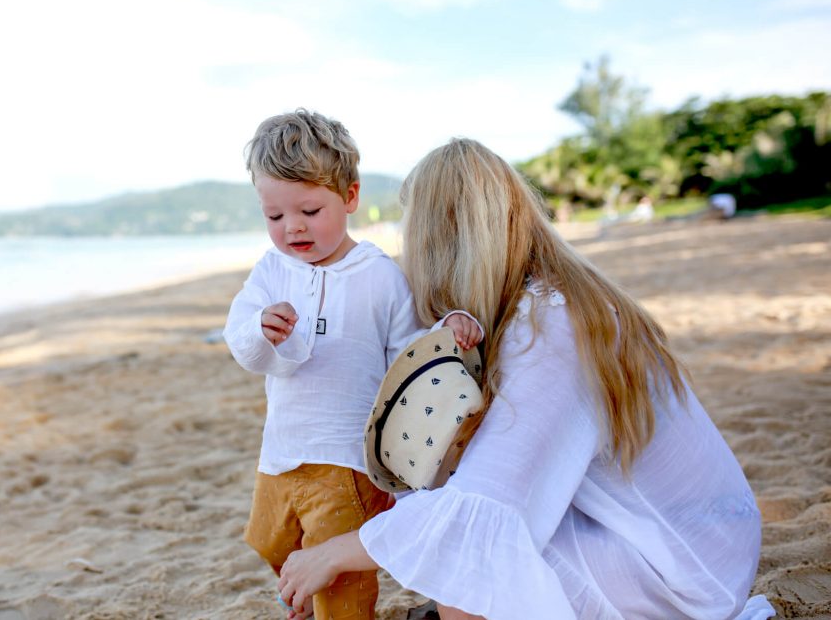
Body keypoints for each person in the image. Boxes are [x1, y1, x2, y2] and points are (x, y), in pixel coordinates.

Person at [276, 138, 774, 620]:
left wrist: (332, 554)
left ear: (438, 242)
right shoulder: (549, 300)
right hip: (701, 541)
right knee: (450, 536)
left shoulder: (554, 324)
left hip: (686, 577)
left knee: (466, 573)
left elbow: (485, 505)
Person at [223, 110, 478, 620]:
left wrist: (446, 329)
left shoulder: (379, 276)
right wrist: (259, 329)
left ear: (350, 197)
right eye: (274, 216)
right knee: (272, 541)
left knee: (342, 584)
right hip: (280, 454)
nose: (292, 227)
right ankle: (302, 592)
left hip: (347, 459)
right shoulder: (273, 270)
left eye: (310, 211)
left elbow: (406, 359)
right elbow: (243, 346)